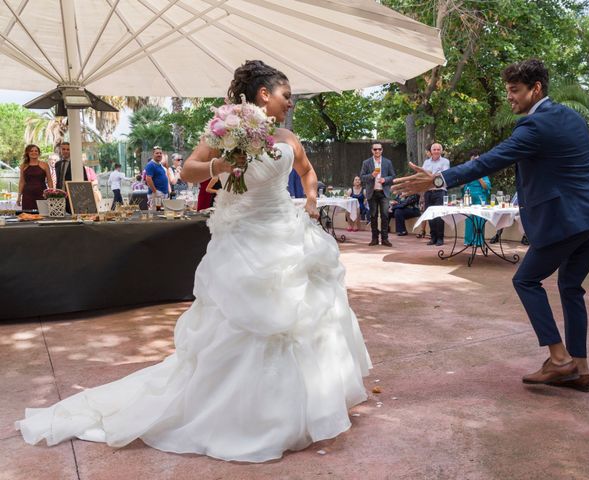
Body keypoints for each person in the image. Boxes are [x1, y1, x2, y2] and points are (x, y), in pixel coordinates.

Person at [17, 60, 371, 462]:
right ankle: (246, 413)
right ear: (263, 95)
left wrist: (310, 200)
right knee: (246, 321)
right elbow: (188, 171)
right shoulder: (229, 131)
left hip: (287, 232)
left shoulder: (289, 137)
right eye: (285, 95)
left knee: (309, 315)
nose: (290, 103)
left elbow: (307, 172)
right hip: (244, 240)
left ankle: (306, 404)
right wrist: (221, 165)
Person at [393, 59, 589, 393]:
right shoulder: (572, 117)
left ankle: (560, 360)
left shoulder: (533, 127)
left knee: (526, 280)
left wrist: (438, 179)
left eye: (515, 91)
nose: (510, 98)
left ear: (536, 89)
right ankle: (581, 370)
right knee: (571, 287)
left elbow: (490, 160)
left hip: (567, 220)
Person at [360, 142, 396, 246]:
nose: (377, 151)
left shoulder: (387, 162)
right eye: (375, 149)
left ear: (382, 150)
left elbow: (393, 176)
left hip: (384, 193)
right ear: (372, 150)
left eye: (379, 149)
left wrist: (385, 179)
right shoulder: (366, 163)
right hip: (372, 193)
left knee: (385, 216)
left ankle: (385, 239)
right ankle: (374, 239)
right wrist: (372, 175)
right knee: (373, 216)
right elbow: (362, 177)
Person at [422, 143, 450, 246]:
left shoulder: (445, 162)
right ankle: (433, 238)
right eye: (434, 149)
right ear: (431, 151)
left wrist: (431, 176)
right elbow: (423, 175)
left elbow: (444, 175)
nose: (436, 151)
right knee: (430, 215)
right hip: (428, 191)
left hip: (440, 191)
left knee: (439, 216)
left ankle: (440, 238)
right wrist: (434, 175)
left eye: (438, 149)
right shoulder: (426, 162)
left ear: (441, 151)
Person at [462, 150, 491, 246]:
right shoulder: (467, 170)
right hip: (468, 197)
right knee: (469, 219)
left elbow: (486, 187)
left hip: (479, 198)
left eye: (477, 158)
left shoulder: (483, 171)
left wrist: (479, 178)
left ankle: (478, 241)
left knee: (478, 219)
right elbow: (461, 185)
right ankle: (468, 240)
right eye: (473, 158)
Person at [54, 142, 88, 213]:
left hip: (73, 196)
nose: (65, 151)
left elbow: (85, 180)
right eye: (63, 149)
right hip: (60, 195)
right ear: (60, 150)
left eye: (68, 149)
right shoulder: (57, 164)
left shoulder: (77, 164)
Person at [17, 144, 53, 210]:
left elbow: (49, 180)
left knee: (43, 215)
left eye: (36, 151)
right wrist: (19, 197)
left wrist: (51, 195)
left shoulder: (44, 165)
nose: (34, 152)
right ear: (27, 153)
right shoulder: (23, 166)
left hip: (42, 194)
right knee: (27, 215)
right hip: (27, 194)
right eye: (31, 151)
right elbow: (22, 182)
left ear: (39, 153)